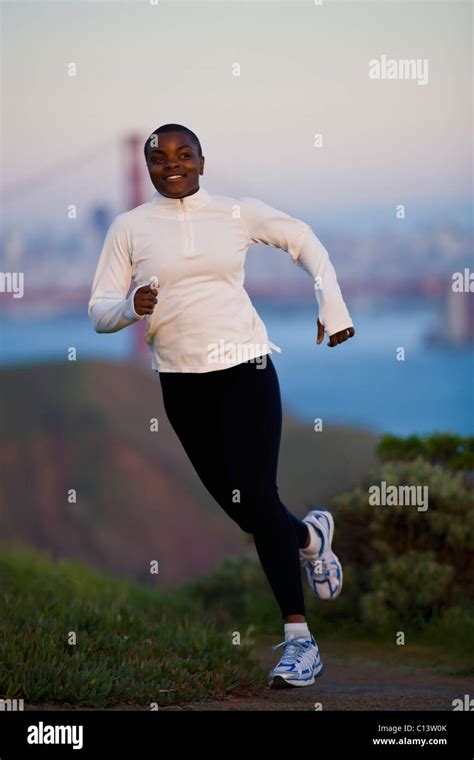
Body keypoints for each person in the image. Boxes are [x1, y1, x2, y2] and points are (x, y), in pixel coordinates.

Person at [88, 122, 355, 688]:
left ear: (204, 162)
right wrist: (132, 306)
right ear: (149, 167)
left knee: (259, 497)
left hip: (247, 369)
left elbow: (303, 239)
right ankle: (310, 539)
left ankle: (299, 642)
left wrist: (331, 303)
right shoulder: (128, 228)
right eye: (158, 158)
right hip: (183, 387)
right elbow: (99, 310)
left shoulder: (237, 212)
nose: (172, 164)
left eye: (185, 154)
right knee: (245, 514)